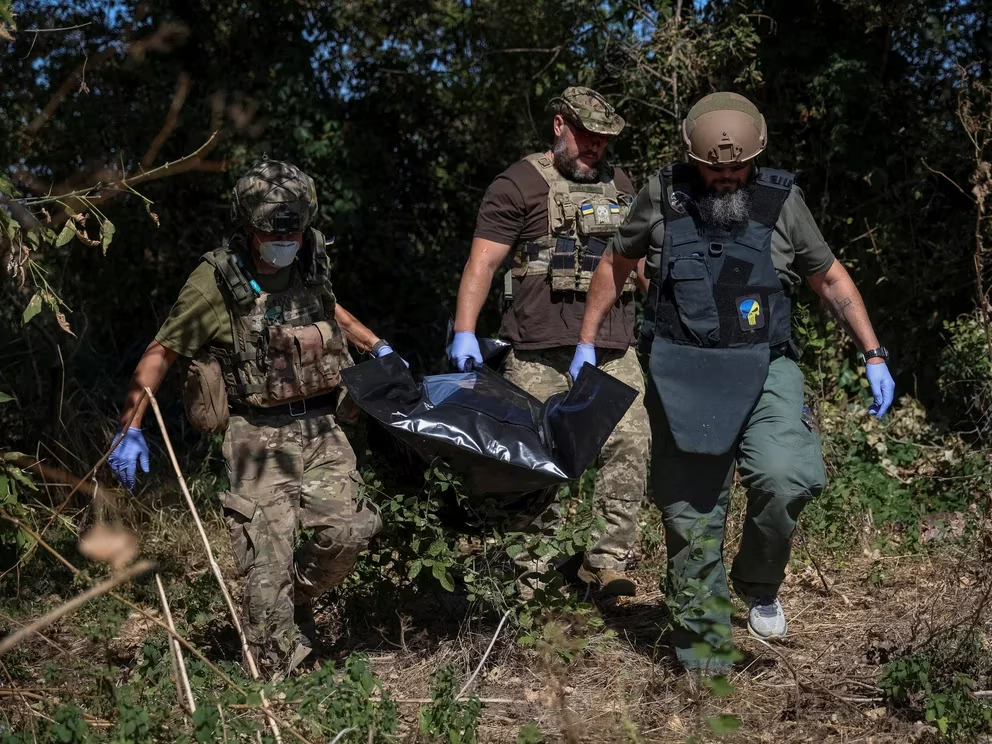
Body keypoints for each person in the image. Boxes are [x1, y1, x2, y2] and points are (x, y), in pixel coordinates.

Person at [574, 92, 896, 672]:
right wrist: (585, 342)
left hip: (766, 364)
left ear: (756, 157)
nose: (726, 177)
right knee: (689, 512)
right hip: (681, 369)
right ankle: (704, 654)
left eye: (737, 167)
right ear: (694, 158)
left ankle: (758, 583)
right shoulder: (661, 194)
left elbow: (829, 278)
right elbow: (615, 264)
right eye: (714, 168)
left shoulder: (781, 199)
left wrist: (873, 353)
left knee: (787, 472)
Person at [107, 158, 401, 679]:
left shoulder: (311, 254)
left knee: (351, 531)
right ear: (248, 224)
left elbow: (328, 308)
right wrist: (130, 428)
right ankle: (278, 681)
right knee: (265, 567)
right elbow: (161, 352)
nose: (285, 236)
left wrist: (375, 346)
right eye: (273, 228)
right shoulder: (215, 281)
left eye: (294, 226)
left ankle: (292, 601)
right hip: (256, 436)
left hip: (321, 426)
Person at [449, 86, 650, 597]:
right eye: (586, 137)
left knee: (629, 445)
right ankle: (532, 572)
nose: (595, 149)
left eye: (603, 141)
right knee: (538, 461)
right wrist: (465, 330)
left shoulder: (623, 185)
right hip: (537, 350)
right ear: (559, 125)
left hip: (612, 347)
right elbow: (484, 262)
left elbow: (641, 265)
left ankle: (605, 564)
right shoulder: (517, 184)